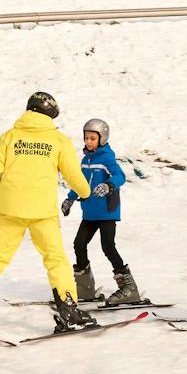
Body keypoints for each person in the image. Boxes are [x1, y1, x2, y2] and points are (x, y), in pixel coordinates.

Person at [0, 90, 97, 335]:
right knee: (56, 259)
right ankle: (70, 311)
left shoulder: (9, 137)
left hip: (10, 209)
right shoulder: (58, 140)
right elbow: (73, 173)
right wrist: (85, 192)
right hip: (43, 212)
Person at [62, 117, 143, 306]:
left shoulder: (106, 158)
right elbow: (80, 184)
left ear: (102, 138)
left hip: (106, 212)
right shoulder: (85, 160)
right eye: (86, 138)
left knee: (108, 246)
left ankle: (129, 288)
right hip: (89, 213)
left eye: (92, 138)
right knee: (78, 244)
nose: (88, 142)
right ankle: (85, 288)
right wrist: (70, 198)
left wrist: (108, 185)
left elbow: (119, 176)